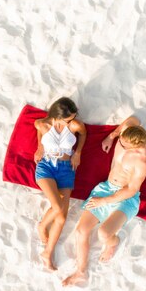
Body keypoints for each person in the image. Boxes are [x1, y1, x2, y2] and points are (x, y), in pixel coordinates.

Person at [62, 116, 146, 287]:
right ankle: (81, 272)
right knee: (81, 232)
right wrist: (112, 136)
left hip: (125, 197)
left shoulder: (143, 159)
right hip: (106, 187)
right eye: (121, 141)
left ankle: (114, 243)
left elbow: (132, 189)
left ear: (137, 146)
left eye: (125, 145)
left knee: (104, 234)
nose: (121, 145)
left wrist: (104, 202)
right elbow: (133, 119)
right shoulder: (127, 132)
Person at [34, 97, 87, 271]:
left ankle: (47, 253)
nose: (72, 120)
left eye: (73, 116)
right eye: (68, 118)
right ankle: (42, 227)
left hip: (66, 170)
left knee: (62, 217)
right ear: (57, 115)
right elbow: (40, 134)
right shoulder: (41, 124)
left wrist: (78, 152)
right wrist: (40, 148)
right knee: (57, 208)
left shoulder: (75, 126)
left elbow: (84, 133)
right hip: (46, 167)